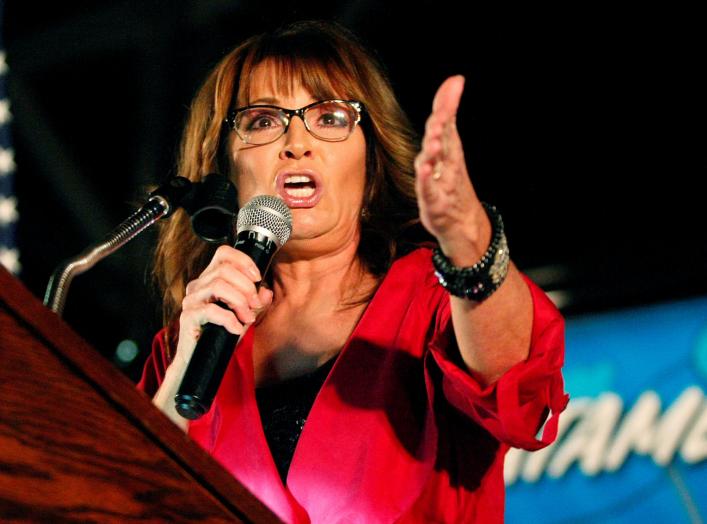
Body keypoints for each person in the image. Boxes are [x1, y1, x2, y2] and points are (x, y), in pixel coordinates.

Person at [137, 19, 568, 523]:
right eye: (261, 121)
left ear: (370, 161)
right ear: (224, 170)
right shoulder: (186, 342)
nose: (297, 141)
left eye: (330, 118)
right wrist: (186, 364)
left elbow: (517, 384)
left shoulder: (430, 300)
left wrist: (469, 239)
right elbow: (131, 501)